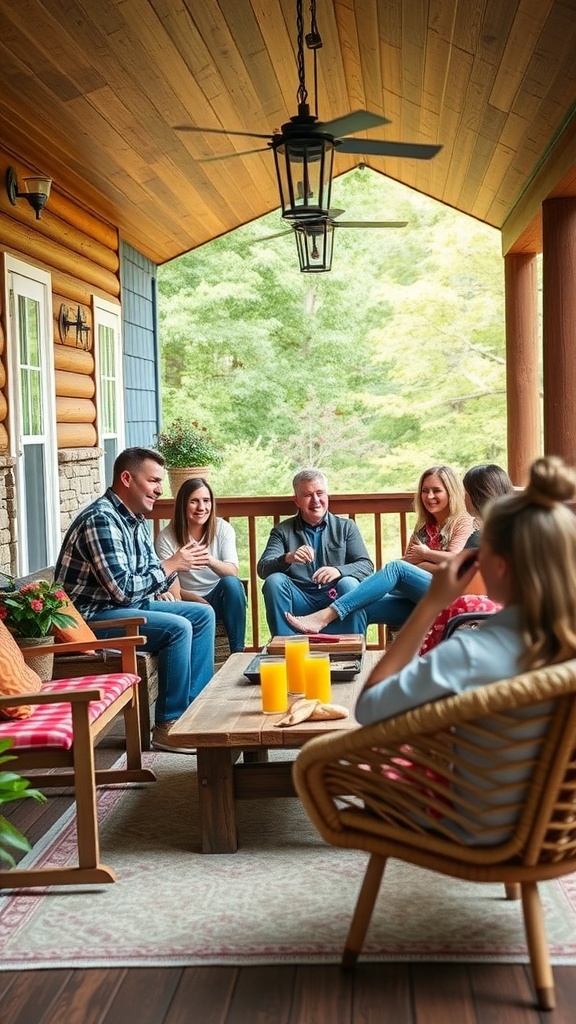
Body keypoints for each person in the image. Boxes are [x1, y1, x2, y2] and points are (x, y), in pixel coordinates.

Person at [355, 455, 576, 843]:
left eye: (481, 550)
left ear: (502, 566)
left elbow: (370, 707)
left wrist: (428, 606)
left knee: (370, 766)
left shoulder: (471, 652)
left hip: (483, 826)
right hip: (560, 828)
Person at [54, 447, 216, 753]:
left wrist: (169, 575)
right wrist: (172, 565)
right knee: (178, 627)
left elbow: (148, 574)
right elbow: (124, 590)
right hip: (90, 622)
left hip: (120, 609)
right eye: (153, 480)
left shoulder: (134, 520)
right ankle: (168, 725)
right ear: (127, 478)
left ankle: (195, 713)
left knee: (201, 615)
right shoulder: (100, 520)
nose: (160, 489)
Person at [286, 464, 475, 635]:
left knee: (395, 569)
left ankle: (323, 616)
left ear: (451, 492)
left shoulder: (463, 522)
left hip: (450, 596)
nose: (429, 496)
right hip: (421, 600)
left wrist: (424, 556)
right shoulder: (424, 527)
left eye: (436, 491)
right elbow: (409, 561)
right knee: (360, 605)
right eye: (425, 491)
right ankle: (344, 656)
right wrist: (423, 564)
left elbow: (454, 565)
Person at [257, 468, 374, 636]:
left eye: (320, 493)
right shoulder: (282, 531)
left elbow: (366, 566)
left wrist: (338, 571)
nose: (316, 501)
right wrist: (288, 558)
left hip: (335, 600)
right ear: (296, 500)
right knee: (274, 581)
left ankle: (352, 649)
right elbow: (263, 569)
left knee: (349, 584)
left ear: (327, 495)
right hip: (300, 597)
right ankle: (284, 647)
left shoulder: (346, 527)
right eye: (307, 495)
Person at [154, 477, 246, 653]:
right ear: (183, 505)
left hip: (219, 600)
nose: (201, 508)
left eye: (206, 501)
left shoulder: (222, 528)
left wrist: (209, 560)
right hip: (188, 601)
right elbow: (173, 590)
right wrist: (199, 601)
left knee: (232, 583)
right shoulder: (166, 538)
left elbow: (232, 571)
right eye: (194, 501)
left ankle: (237, 652)